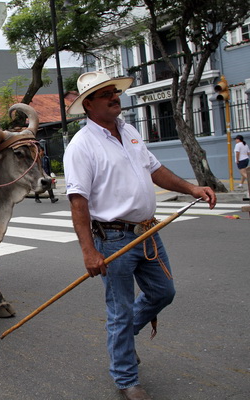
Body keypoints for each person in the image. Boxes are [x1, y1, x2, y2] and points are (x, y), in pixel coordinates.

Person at [63, 71, 217, 400]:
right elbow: (79, 202)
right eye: (105, 94)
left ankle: (122, 339)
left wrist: (192, 187)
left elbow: (155, 170)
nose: (114, 96)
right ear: (88, 105)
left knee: (164, 292)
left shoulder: (130, 131)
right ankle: (125, 376)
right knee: (119, 311)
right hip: (113, 238)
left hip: (148, 232)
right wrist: (89, 252)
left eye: (114, 91)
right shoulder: (81, 146)